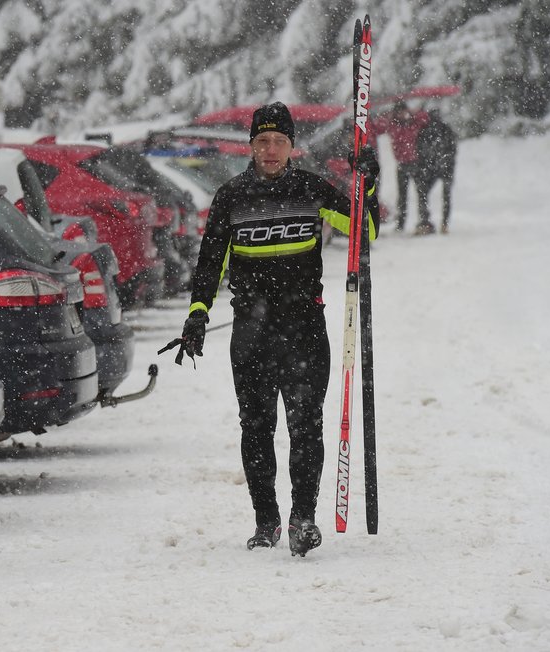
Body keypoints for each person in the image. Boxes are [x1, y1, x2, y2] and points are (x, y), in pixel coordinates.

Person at [165, 102, 379, 557]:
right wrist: (198, 313)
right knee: (257, 429)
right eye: (262, 141)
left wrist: (369, 184)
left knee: (306, 427)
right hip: (252, 333)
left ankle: (303, 517)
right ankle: (267, 521)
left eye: (279, 141)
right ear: (251, 146)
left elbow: (366, 230)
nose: (271, 149)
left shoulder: (311, 189)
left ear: (292, 146)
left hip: (304, 329)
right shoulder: (231, 197)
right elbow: (209, 264)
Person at [375, 101, 432, 234]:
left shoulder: (413, 122)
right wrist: (387, 116)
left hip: (416, 163)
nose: (402, 114)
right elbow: (378, 126)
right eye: (399, 112)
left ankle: (424, 219)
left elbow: (425, 118)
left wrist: (412, 113)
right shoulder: (393, 125)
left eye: (404, 111)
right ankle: (401, 222)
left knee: (421, 194)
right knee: (402, 196)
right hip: (401, 165)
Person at [415, 109, 458, 234]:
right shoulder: (442, 129)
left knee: (425, 193)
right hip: (437, 167)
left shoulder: (430, 130)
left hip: (436, 167)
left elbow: (419, 149)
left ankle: (429, 221)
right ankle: (440, 223)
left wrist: (432, 162)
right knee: (443, 195)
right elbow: (452, 148)